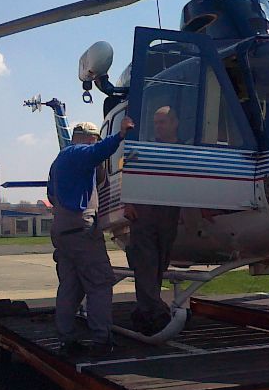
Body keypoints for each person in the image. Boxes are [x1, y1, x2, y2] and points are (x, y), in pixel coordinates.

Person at [48, 117, 134, 355]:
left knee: (70, 286)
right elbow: (98, 152)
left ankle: (66, 338)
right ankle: (101, 339)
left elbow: (52, 195)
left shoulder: (59, 161)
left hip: (62, 230)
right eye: (95, 140)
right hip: (82, 230)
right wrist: (120, 135)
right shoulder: (79, 152)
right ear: (89, 138)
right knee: (100, 283)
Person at [124, 106, 182, 336]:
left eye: (162, 122)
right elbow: (128, 172)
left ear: (175, 123)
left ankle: (147, 309)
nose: (158, 127)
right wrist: (128, 202)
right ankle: (153, 312)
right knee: (146, 263)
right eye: (156, 123)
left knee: (160, 263)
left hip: (169, 213)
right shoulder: (144, 148)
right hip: (143, 213)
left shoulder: (184, 150)